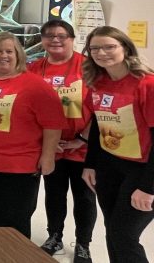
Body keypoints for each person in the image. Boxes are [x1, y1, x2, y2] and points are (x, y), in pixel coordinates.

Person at [0, 32, 64, 238]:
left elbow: (53, 125)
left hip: (17, 167)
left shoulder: (36, 86)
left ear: (18, 54)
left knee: (14, 224)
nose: (3, 56)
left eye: (9, 51)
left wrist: (48, 156)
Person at [81, 26, 154, 263]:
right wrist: (90, 164)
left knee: (124, 234)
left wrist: (148, 187)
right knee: (112, 230)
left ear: (125, 47)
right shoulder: (97, 82)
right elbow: (97, 125)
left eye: (110, 46)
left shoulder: (147, 84)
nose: (102, 53)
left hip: (143, 170)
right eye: (95, 48)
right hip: (109, 167)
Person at [27, 19, 96, 262]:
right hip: (51, 146)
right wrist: (47, 141)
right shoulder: (34, 68)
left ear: (71, 38)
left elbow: (99, 107)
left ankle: (83, 243)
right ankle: (54, 235)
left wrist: (82, 138)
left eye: (61, 35)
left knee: (85, 197)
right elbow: (29, 107)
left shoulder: (88, 67)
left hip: (83, 147)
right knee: (54, 194)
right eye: (48, 35)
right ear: (42, 40)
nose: (55, 39)